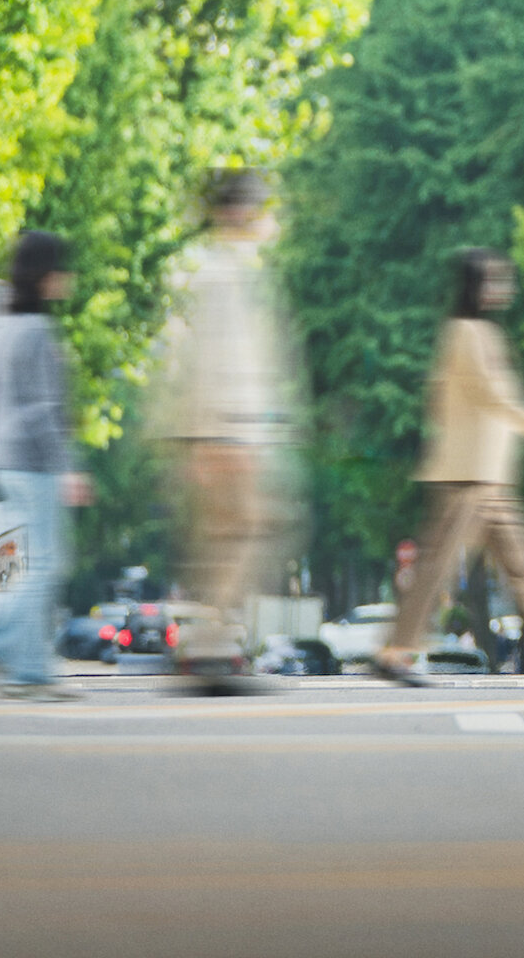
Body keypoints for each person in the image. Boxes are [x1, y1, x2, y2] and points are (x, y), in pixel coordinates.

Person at [369, 249, 524, 685]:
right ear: (474, 287)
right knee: (436, 570)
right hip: (465, 478)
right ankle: (395, 650)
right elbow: (492, 398)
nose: (503, 289)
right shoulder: (463, 333)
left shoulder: (485, 333)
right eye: (494, 281)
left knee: (522, 564)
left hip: (491, 477)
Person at [161, 169, 300, 694]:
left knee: (230, 541)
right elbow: (207, 364)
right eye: (260, 206)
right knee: (241, 537)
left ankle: (211, 645)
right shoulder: (219, 274)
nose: (267, 216)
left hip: (231, 433)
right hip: (226, 435)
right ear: (238, 212)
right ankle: (209, 646)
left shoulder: (231, 270)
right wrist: (217, 439)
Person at [0, 231, 94, 702]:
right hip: (32, 461)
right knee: (49, 565)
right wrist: (67, 467)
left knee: (43, 564)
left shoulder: (6, 324)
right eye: (62, 269)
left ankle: (30, 673)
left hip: (2, 457)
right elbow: (41, 410)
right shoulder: (35, 330)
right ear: (45, 275)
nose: (68, 278)